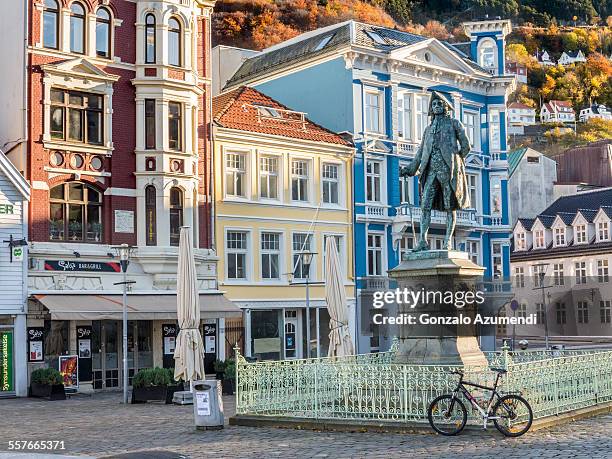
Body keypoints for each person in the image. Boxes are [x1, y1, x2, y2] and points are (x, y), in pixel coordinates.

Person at [400, 91, 471, 251]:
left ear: (446, 107)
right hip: (431, 171)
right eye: (434, 104)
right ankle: (423, 241)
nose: (437, 106)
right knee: (425, 205)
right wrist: (410, 170)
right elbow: (420, 154)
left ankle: (447, 241)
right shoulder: (428, 129)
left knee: (449, 206)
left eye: (440, 103)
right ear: (431, 109)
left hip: (449, 171)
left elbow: (466, 146)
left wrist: (457, 161)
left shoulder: (454, 124)